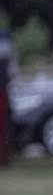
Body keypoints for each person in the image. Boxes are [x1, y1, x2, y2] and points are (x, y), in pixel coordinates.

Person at [0, 28, 16, 169]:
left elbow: (10, 70)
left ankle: (3, 159)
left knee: (3, 127)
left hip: (1, 90)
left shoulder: (4, 38)